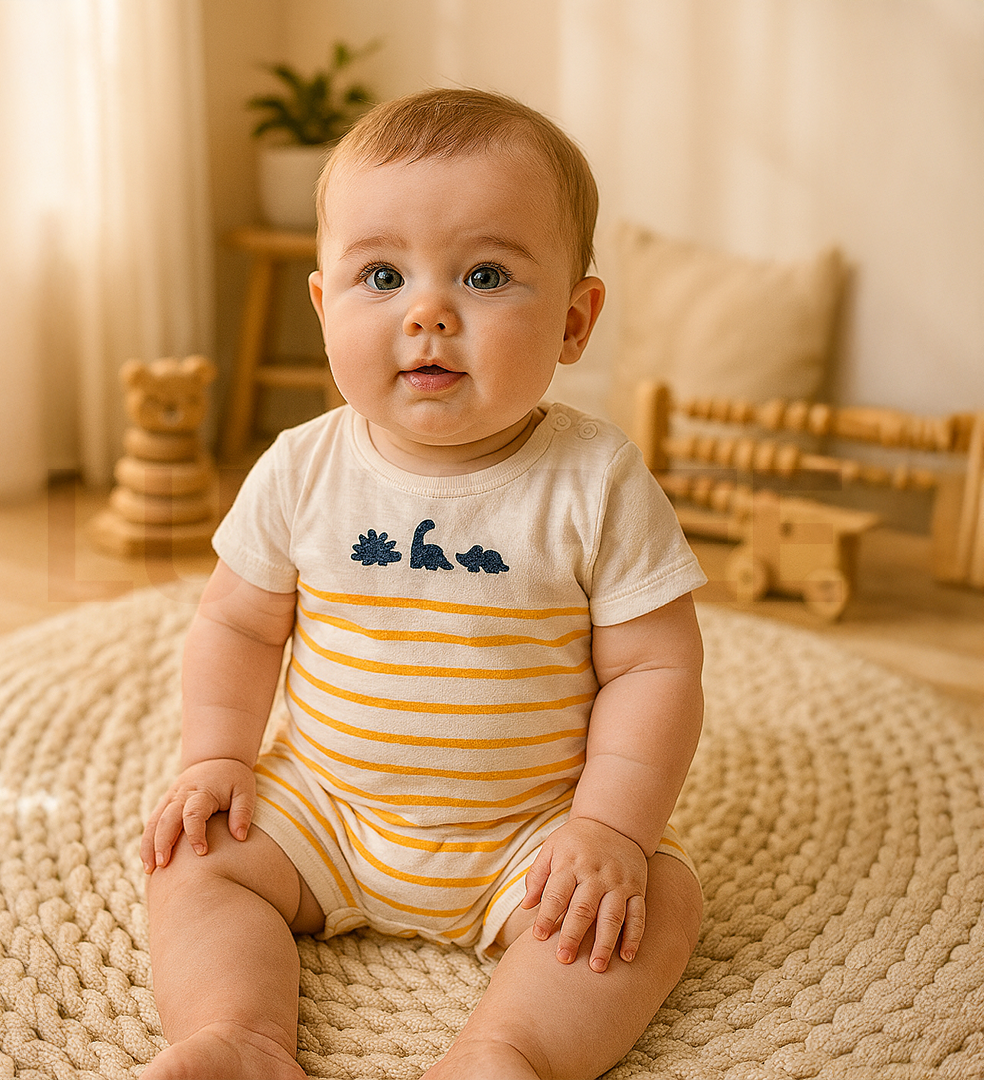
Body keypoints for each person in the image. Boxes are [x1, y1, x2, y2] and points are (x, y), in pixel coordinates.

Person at [139, 87, 706, 1080]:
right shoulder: (301, 469)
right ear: (325, 307)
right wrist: (215, 756)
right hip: (327, 809)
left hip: (532, 831)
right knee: (192, 857)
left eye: (485, 275)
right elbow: (234, 624)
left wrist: (608, 829)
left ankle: (505, 1053)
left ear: (575, 319)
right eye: (382, 275)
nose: (429, 311)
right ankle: (239, 1035)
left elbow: (657, 668)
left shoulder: (598, 481)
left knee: (656, 900)